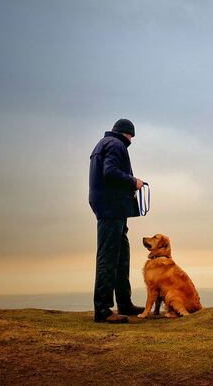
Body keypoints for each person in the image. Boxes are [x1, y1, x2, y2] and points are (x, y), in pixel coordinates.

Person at [88, 118, 145, 323]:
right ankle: (103, 310)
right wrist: (134, 182)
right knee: (109, 258)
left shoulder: (104, 144)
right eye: (132, 136)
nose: (131, 140)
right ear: (127, 133)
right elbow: (110, 172)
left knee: (121, 256)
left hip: (111, 207)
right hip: (111, 207)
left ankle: (124, 303)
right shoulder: (116, 144)